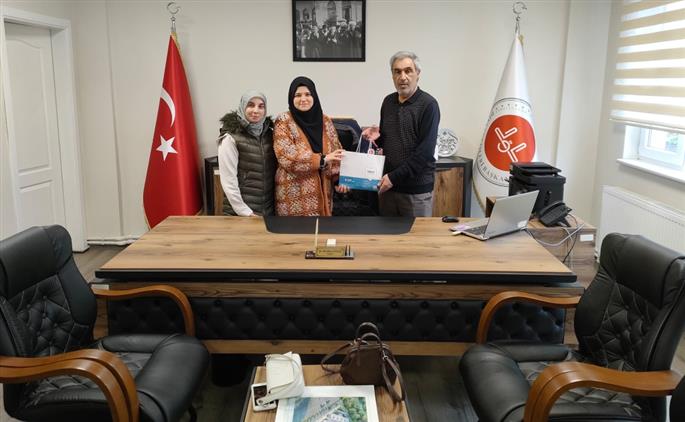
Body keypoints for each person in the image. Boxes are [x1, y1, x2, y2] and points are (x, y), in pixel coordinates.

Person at [362, 51, 440, 217]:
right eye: (397, 72)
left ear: (418, 74)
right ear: (392, 75)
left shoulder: (429, 105)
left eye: (408, 71)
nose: (402, 77)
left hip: (415, 193)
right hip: (388, 189)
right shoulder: (388, 102)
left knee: (417, 235)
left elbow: (425, 153)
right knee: (386, 234)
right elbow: (390, 142)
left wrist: (393, 178)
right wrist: (377, 138)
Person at [273, 76, 348, 216]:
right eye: (298, 95)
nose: (303, 99)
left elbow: (336, 151)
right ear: (291, 98)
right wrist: (322, 159)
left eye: (308, 94)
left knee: (321, 230)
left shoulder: (325, 121)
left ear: (314, 96)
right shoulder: (283, 121)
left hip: (324, 192)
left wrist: (338, 180)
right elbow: (286, 157)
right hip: (293, 196)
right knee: (294, 231)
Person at [217, 90, 275, 216]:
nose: (256, 110)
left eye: (261, 106)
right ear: (243, 107)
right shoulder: (230, 137)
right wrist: (245, 212)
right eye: (251, 105)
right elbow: (228, 181)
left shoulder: (270, 134)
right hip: (240, 213)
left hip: (268, 211)